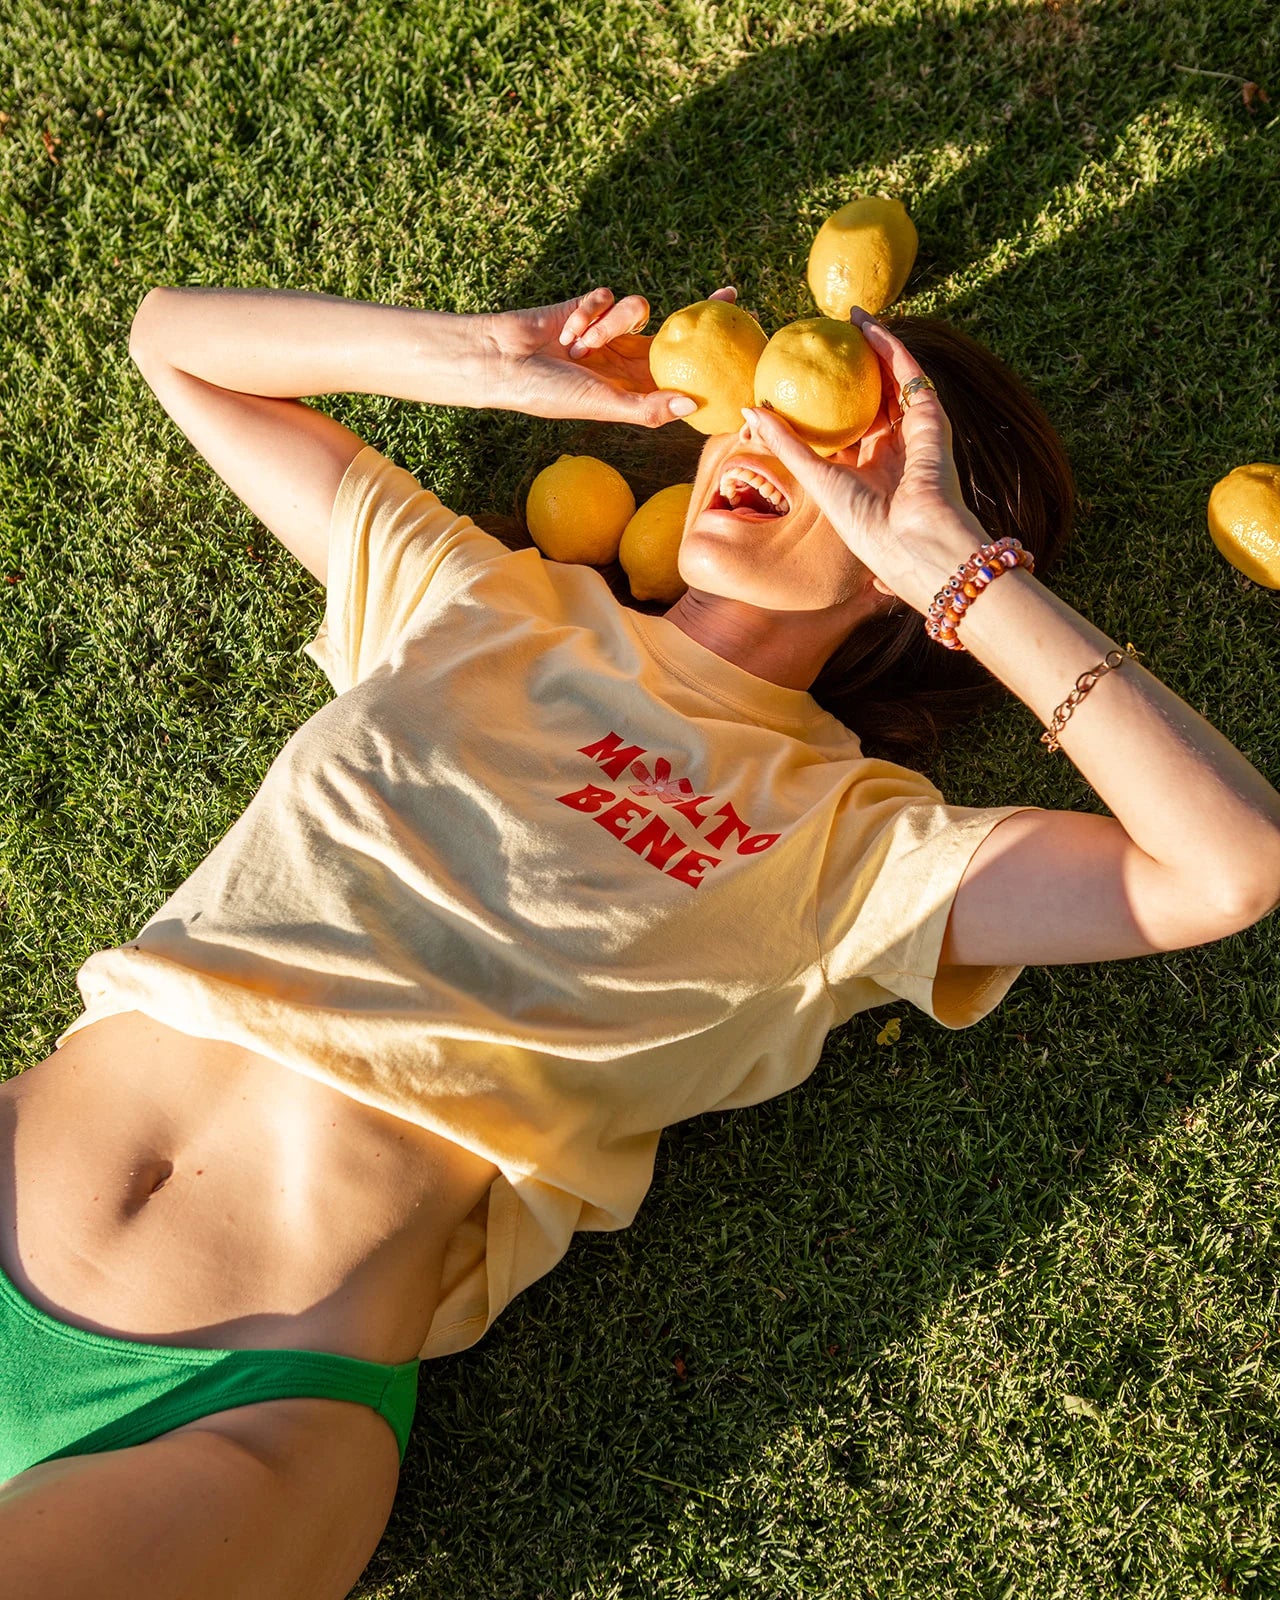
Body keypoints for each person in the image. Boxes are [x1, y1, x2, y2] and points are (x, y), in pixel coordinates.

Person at [2, 279, 1278, 1600]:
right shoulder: (485, 600)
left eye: (853, 449)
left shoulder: (850, 840)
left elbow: (1228, 866)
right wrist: (496, 358)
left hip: (240, 1417)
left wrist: (949, 563)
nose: (781, 441)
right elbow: (173, 345)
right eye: (777, 407)